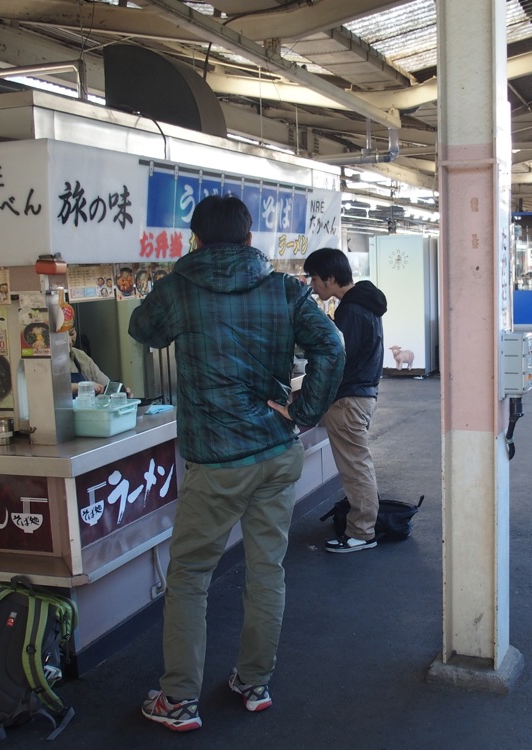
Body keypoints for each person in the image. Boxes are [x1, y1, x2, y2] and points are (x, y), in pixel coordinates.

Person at [128, 195, 344, 732]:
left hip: (216, 461)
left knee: (190, 577)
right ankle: (254, 683)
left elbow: (143, 330)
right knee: (266, 570)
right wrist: (305, 410)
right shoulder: (285, 289)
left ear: (195, 240)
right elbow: (332, 345)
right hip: (276, 452)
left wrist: (176, 280)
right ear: (250, 239)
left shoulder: (180, 288)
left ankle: (179, 700)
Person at [300, 247, 387, 553]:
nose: (313, 286)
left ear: (330, 278)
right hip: (363, 396)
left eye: (314, 278)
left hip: (349, 401)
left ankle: (361, 533)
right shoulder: (366, 302)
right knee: (359, 465)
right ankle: (363, 526)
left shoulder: (350, 311)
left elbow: (335, 358)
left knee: (355, 469)